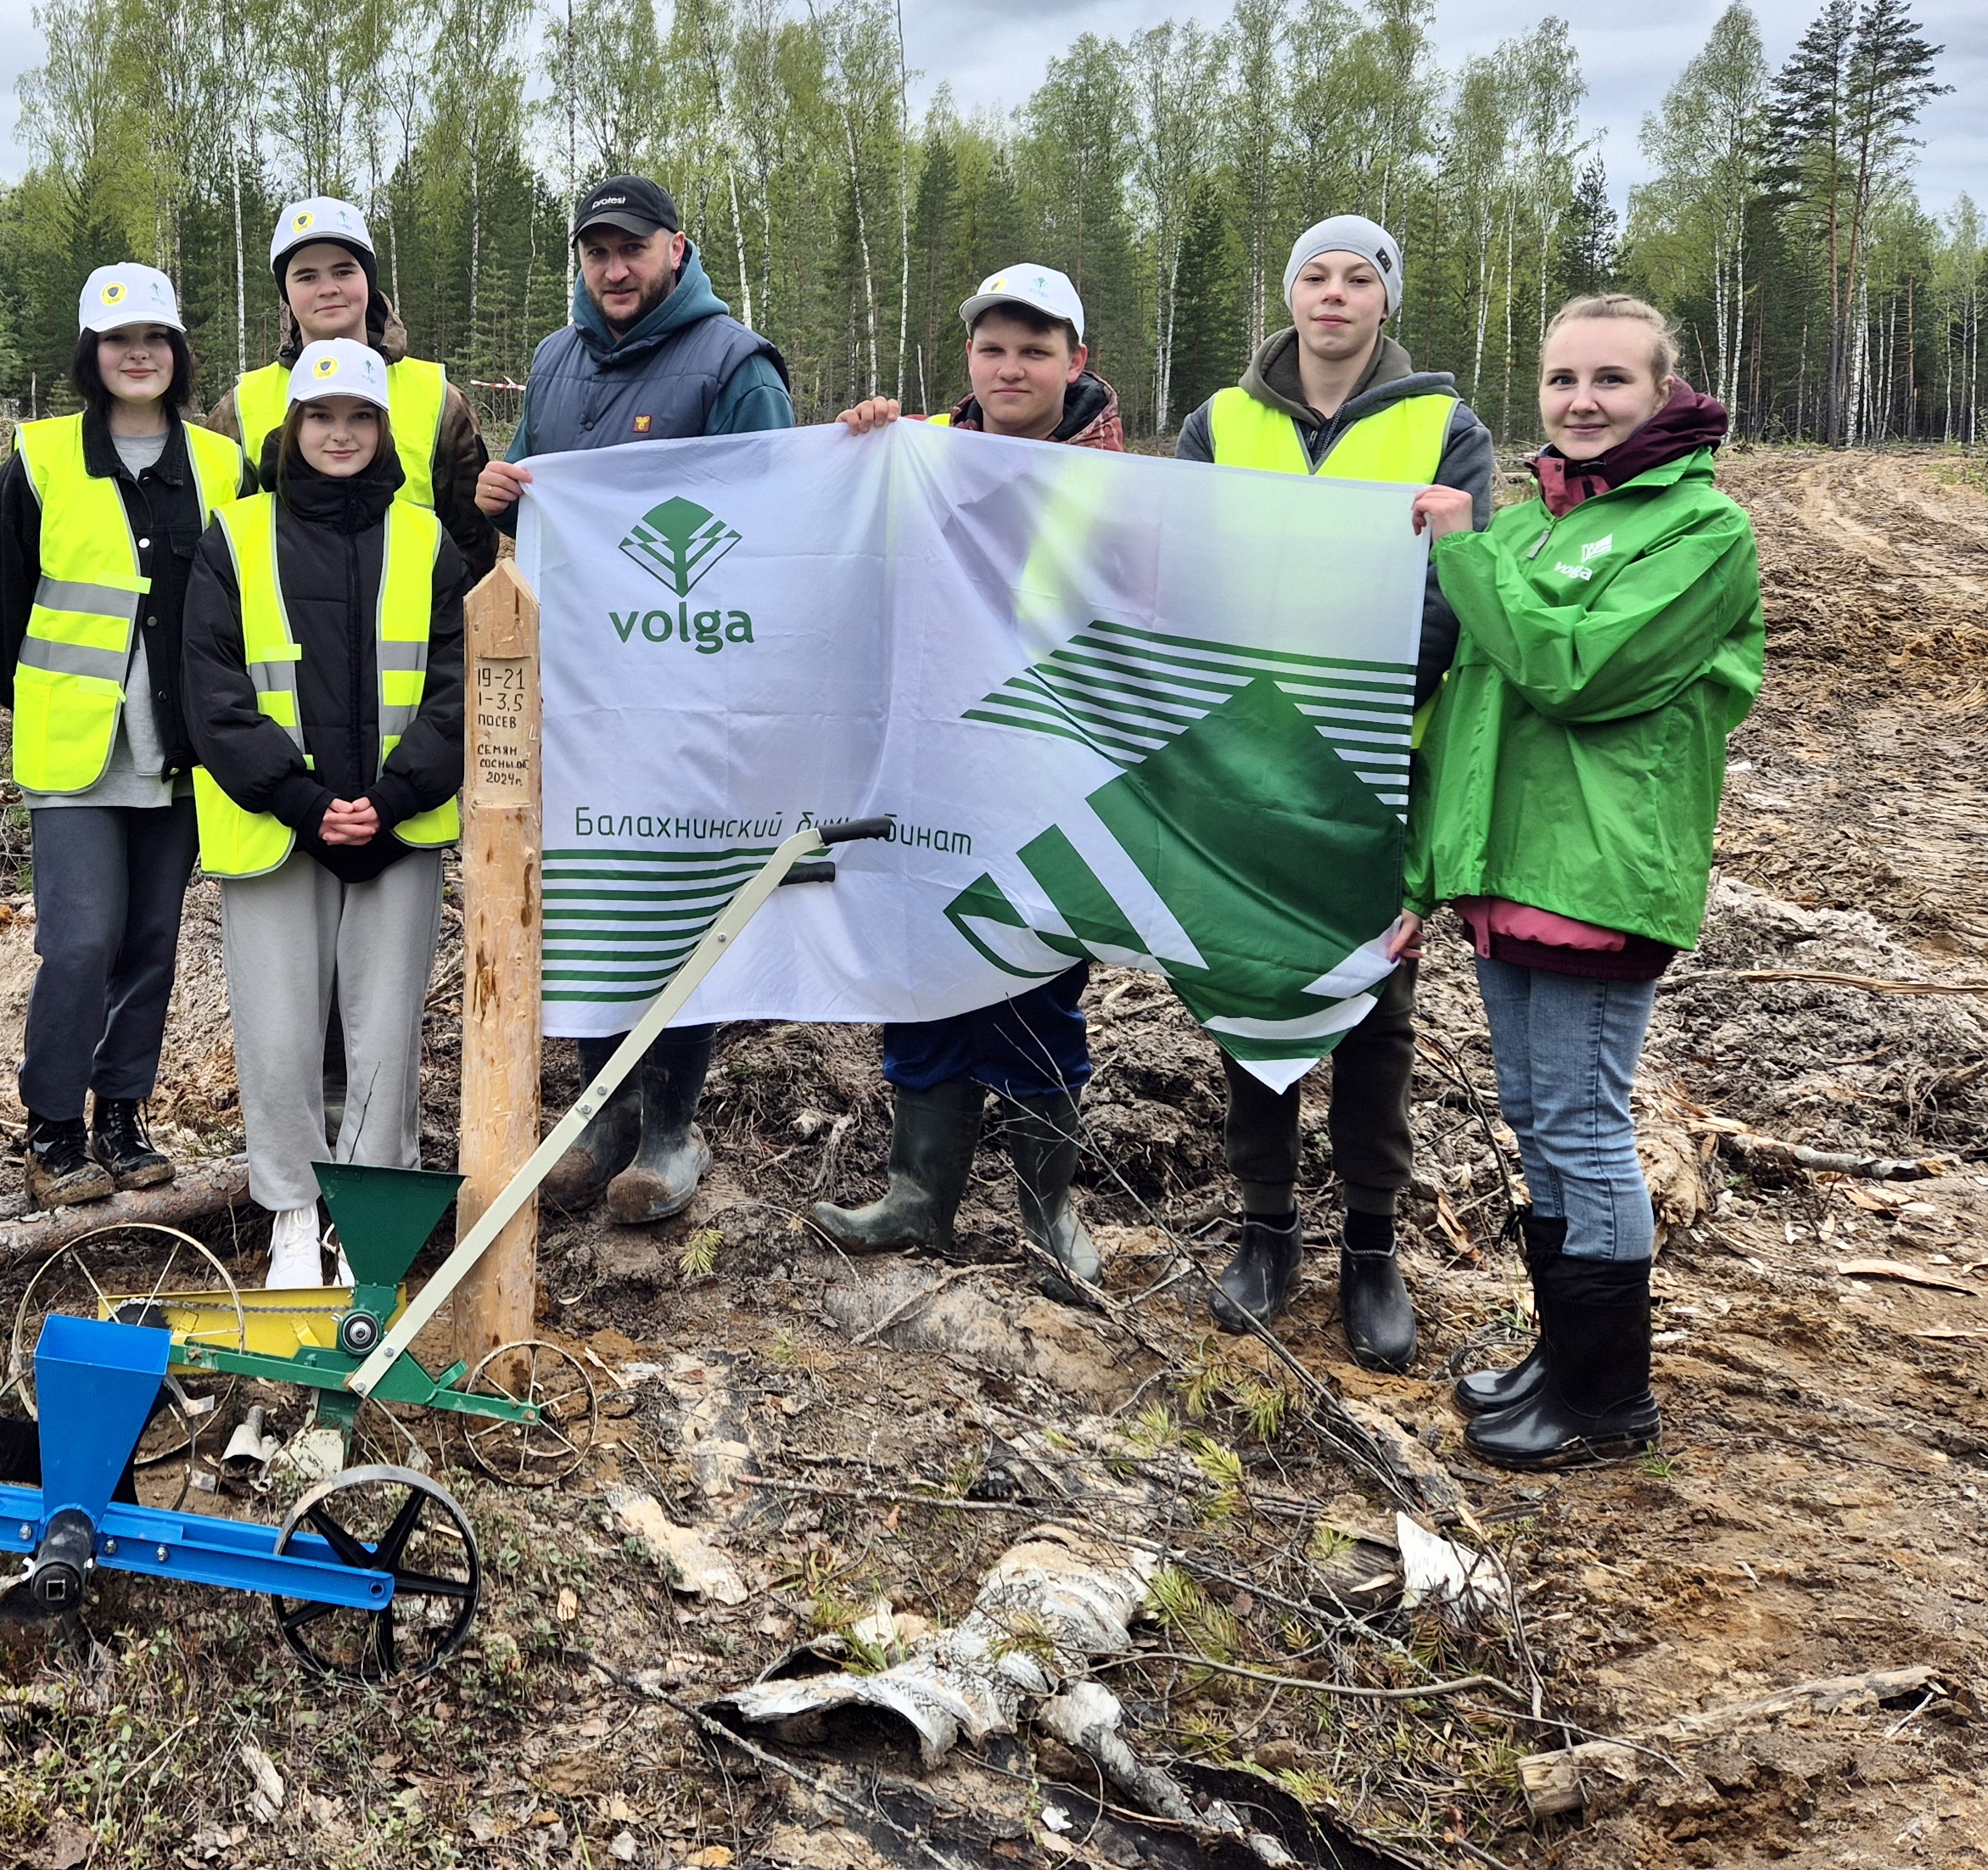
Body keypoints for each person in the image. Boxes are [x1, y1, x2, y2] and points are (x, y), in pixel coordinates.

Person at [1402, 296, 1761, 1467]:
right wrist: (1428, 873)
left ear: (1664, 392)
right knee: (1540, 1122)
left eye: (1612, 379)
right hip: (1508, 876)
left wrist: (1462, 547)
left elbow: (1572, 671)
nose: (1582, 402)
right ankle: (1563, 1361)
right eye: (1563, 380)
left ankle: (1608, 1402)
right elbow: (1468, 718)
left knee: (1583, 1125)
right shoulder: (1537, 525)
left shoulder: (1701, 535)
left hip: (1597, 881)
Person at [1173, 216, 1493, 1371]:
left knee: (1376, 1010)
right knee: (1251, 982)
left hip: (1374, 759)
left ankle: (1372, 1245)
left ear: (1385, 302)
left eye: (1361, 277)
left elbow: (1455, 593)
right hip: (1244, 758)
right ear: (1292, 292)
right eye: (1316, 272)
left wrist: (1352, 692)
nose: (1336, 294)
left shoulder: (1442, 429)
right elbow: (1187, 567)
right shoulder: (1222, 422)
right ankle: (1264, 1230)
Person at [475, 173, 793, 1225]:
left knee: (667, 901)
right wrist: (496, 488)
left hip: (687, 688)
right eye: (595, 251)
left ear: (676, 250)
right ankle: (599, 1119)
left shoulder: (734, 366)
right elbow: (534, 485)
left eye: (632, 249)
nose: (613, 269)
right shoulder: (554, 362)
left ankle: (670, 1131)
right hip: (576, 685)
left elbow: (780, 515)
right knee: (585, 897)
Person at [814, 265, 1123, 1291]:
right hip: (931, 768)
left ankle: (1049, 1213)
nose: (1011, 367)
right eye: (993, 348)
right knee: (926, 978)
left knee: (1039, 983)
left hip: (1050, 774)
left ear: (1075, 362)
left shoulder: (1119, 486)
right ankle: (920, 1198)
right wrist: (861, 445)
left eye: (1036, 350)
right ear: (969, 359)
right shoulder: (920, 459)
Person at [0, 265, 244, 1209]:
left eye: (156, 340)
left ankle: (121, 1114)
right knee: (81, 941)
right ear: (92, 354)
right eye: (120, 341)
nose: (139, 355)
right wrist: (32, 690)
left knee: (151, 944)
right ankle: (50, 1129)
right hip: (78, 748)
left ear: (177, 353)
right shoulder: (39, 460)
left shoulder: (218, 463)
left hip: (180, 748)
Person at [187, 338, 468, 1286]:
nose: (338, 434)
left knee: (386, 1029)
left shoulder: (427, 537)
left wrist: (390, 799)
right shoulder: (235, 533)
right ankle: (293, 1212)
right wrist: (304, 800)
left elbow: (454, 686)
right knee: (276, 1033)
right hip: (277, 829)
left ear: (384, 431)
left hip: (397, 827)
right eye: (320, 416)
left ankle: (370, 1217)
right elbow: (213, 689)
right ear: (290, 428)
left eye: (358, 418)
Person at [204, 194, 500, 578]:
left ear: (368, 280)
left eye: (344, 271)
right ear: (286, 292)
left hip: (410, 630)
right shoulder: (241, 407)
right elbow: (219, 542)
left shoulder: (439, 398)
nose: (328, 288)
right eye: (307, 276)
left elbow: (473, 545)